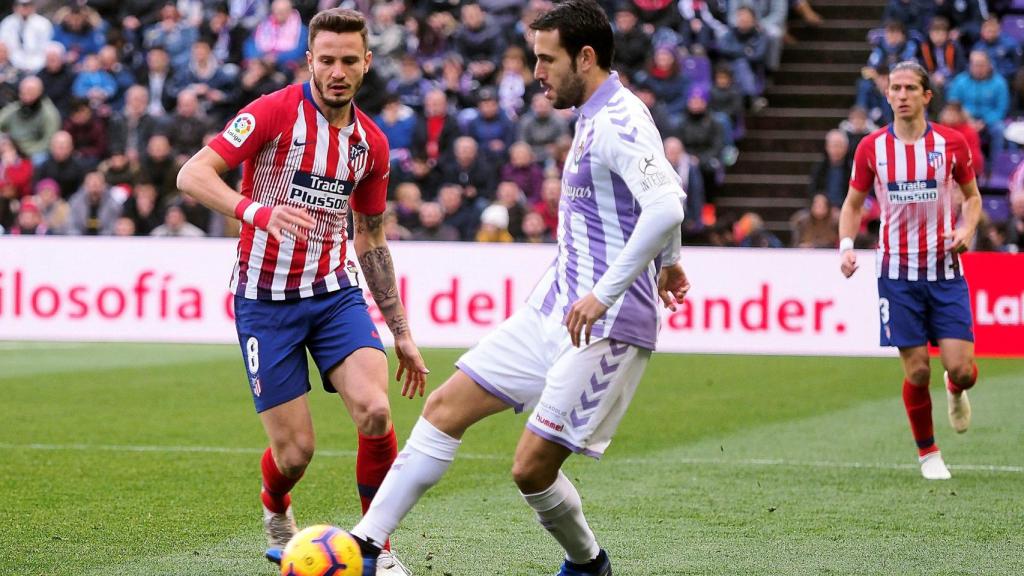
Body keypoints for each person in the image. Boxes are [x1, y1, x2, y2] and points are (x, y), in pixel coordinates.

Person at [348, 2, 689, 575]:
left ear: (585, 57)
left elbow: (666, 203)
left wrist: (607, 292)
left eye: (545, 59)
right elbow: (658, 199)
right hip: (554, 305)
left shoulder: (618, 121)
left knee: (531, 469)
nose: (536, 71)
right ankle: (366, 543)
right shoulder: (596, 112)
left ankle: (588, 564)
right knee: (443, 407)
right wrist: (671, 262)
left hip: (604, 325)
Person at [175, 9, 427, 575]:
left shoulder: (370, 143)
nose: (337, 72)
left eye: (348, 61)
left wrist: (403, 332)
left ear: (366, 63)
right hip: (264, 301)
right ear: (310, 60)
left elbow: (371, 237)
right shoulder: (272, 112)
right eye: (327, 60)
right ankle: (275, 503)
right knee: (295, 454)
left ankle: (377, 548)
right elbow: (192, 174)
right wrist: (255, 212)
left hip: (334, 292)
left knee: (376, 412)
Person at [839, 61, 981, 481]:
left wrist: (967, 228)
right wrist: (846, 247)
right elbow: (851, 203)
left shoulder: (951, 144)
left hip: (945, 271)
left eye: (909, 88)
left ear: (925, 95)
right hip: (897, 274)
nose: (901, 95)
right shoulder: (871, 148)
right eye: (894, 88)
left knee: (961, 370)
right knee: (917, 369)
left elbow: (972, 198)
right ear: (887, 95)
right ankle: (928, 454)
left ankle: (956, 390)